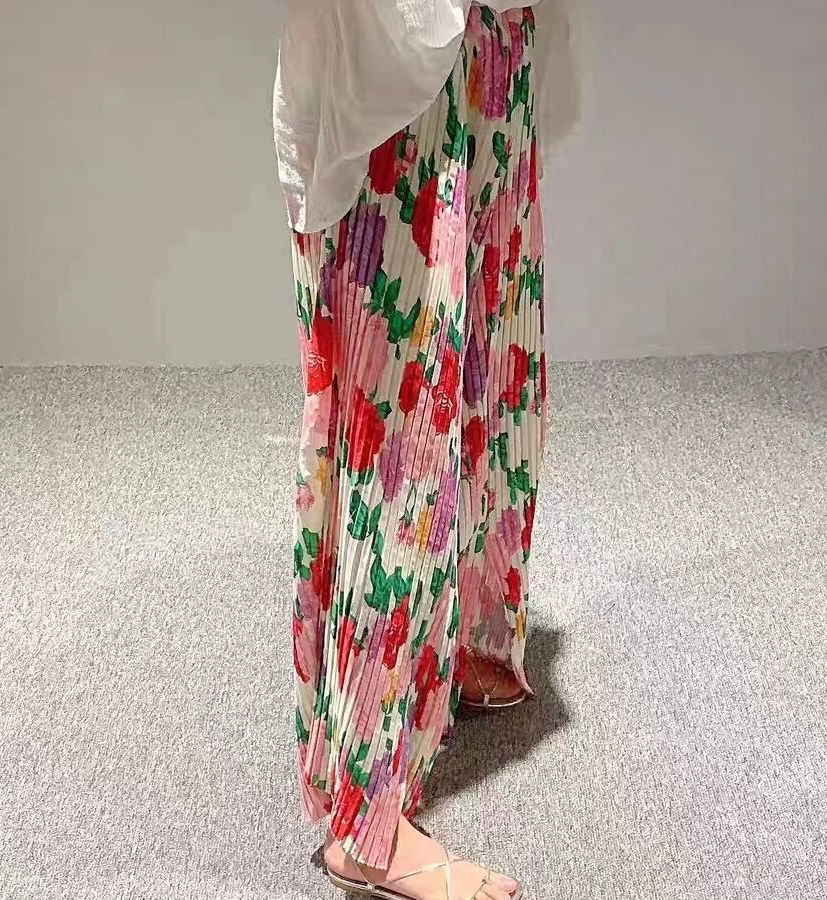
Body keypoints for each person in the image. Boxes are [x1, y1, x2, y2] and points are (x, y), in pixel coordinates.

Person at [273, 2, 581, 897]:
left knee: (489, 356)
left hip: (494, 34)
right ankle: (365, 824)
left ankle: (465, 643)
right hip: (393, 55)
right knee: (397, 412)